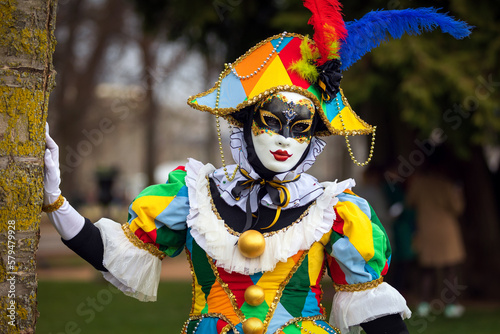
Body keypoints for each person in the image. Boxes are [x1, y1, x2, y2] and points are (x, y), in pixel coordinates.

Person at [42, 2, 471, 333]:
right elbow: (115, 255)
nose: (285, 139)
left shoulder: (335, 214)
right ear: (244, 125)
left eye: (300, 129)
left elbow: (380, 319)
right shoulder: (193, 195)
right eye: (272, 122)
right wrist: (55, 200)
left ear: (314, 139)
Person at [407, 152, 466, 318]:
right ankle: (452, 306)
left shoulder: (419, 183)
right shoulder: (447, 184)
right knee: (450, 269)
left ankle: (424, 304)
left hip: (426, 229)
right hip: (447, 231)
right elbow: (458, 208)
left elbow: (410, 201)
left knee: (427, 269)